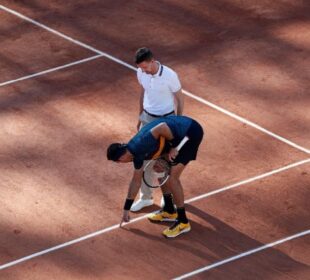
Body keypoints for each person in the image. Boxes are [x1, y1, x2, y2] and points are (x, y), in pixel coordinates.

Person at [107, 116, 204, 238]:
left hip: (189, 133)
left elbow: (161, 127)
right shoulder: (134, 154)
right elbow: (135, 181)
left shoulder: (139, 145)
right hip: (176, 135)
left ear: (120, 158)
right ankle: (169, 210)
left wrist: (175, 146)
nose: (121, 164)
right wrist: (126, 209)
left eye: (119, 162)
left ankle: (183, 222)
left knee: (173, 178)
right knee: (159, 168)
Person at [132, 47, 184, 212]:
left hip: (166, 121)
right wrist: (140, 115)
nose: (143, 71)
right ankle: (145, 198)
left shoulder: (170, 75)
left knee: (164, 161)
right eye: (141, 68)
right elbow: (143, 92)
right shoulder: (141, 72)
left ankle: (167, 198)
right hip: (147, 118)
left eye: (145, 67)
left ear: (152, 61)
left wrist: (178, 123)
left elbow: (180, 100)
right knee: (144, 158)